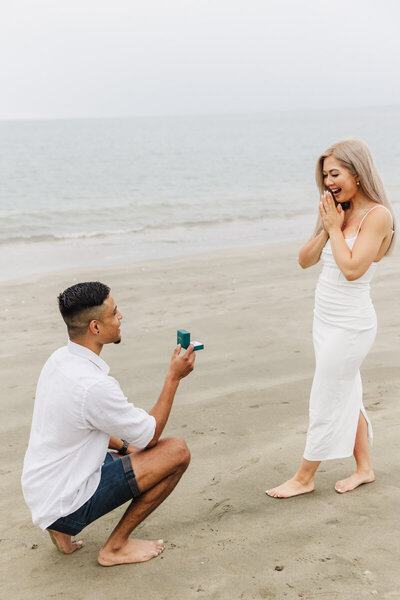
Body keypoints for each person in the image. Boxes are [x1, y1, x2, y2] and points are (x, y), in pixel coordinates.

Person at [21, 281, 195, 566]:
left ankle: (59, 531)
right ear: (95, 327)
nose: (121, 317)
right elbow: (150, 435)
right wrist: (173, 378)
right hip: (65, 502)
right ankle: (114, 547)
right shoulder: (93, 386)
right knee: (176, 451)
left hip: (42, 488)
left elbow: (87, 425)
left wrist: (126, 448)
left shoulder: (58, 360)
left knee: (132, 449)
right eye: (114, 313)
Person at [266, 139, 396, 499]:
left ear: (358, 172)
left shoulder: (378, 216)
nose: (328, 182)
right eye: (325, 176)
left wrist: (337, 230)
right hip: (323, 318)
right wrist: (327, 226)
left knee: (326, 393)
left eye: (335, 174)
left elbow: (353, 269)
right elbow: (304, 260)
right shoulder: (335, 211)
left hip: (351, 324)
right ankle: (365, 468)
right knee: (345, 388)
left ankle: (305, 476)